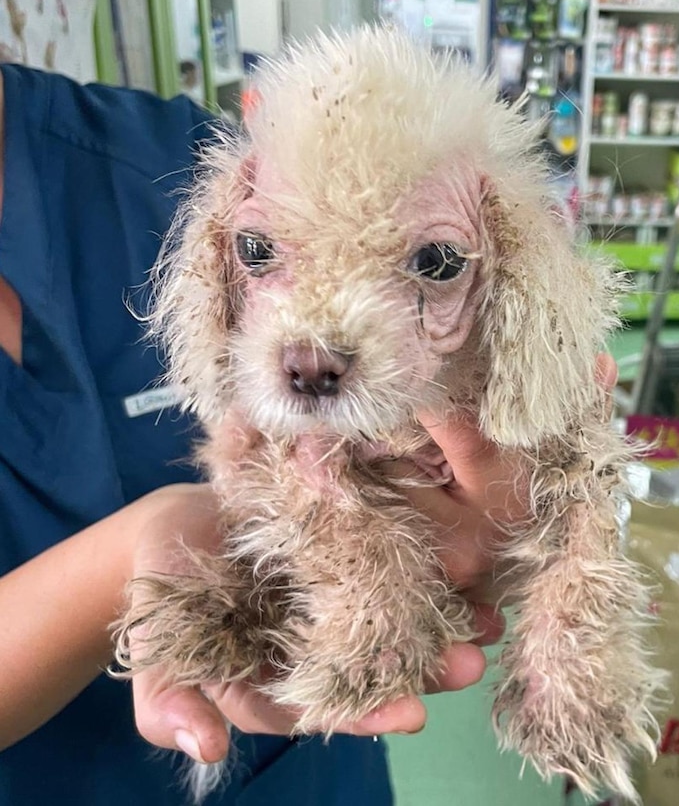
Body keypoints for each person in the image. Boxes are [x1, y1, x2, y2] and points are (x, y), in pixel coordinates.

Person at [0, 61, 548, 804]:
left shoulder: (205, 157)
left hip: (311, 757)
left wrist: (527, 494)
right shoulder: (224, 195)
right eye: (259, 255)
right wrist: (141, 550)